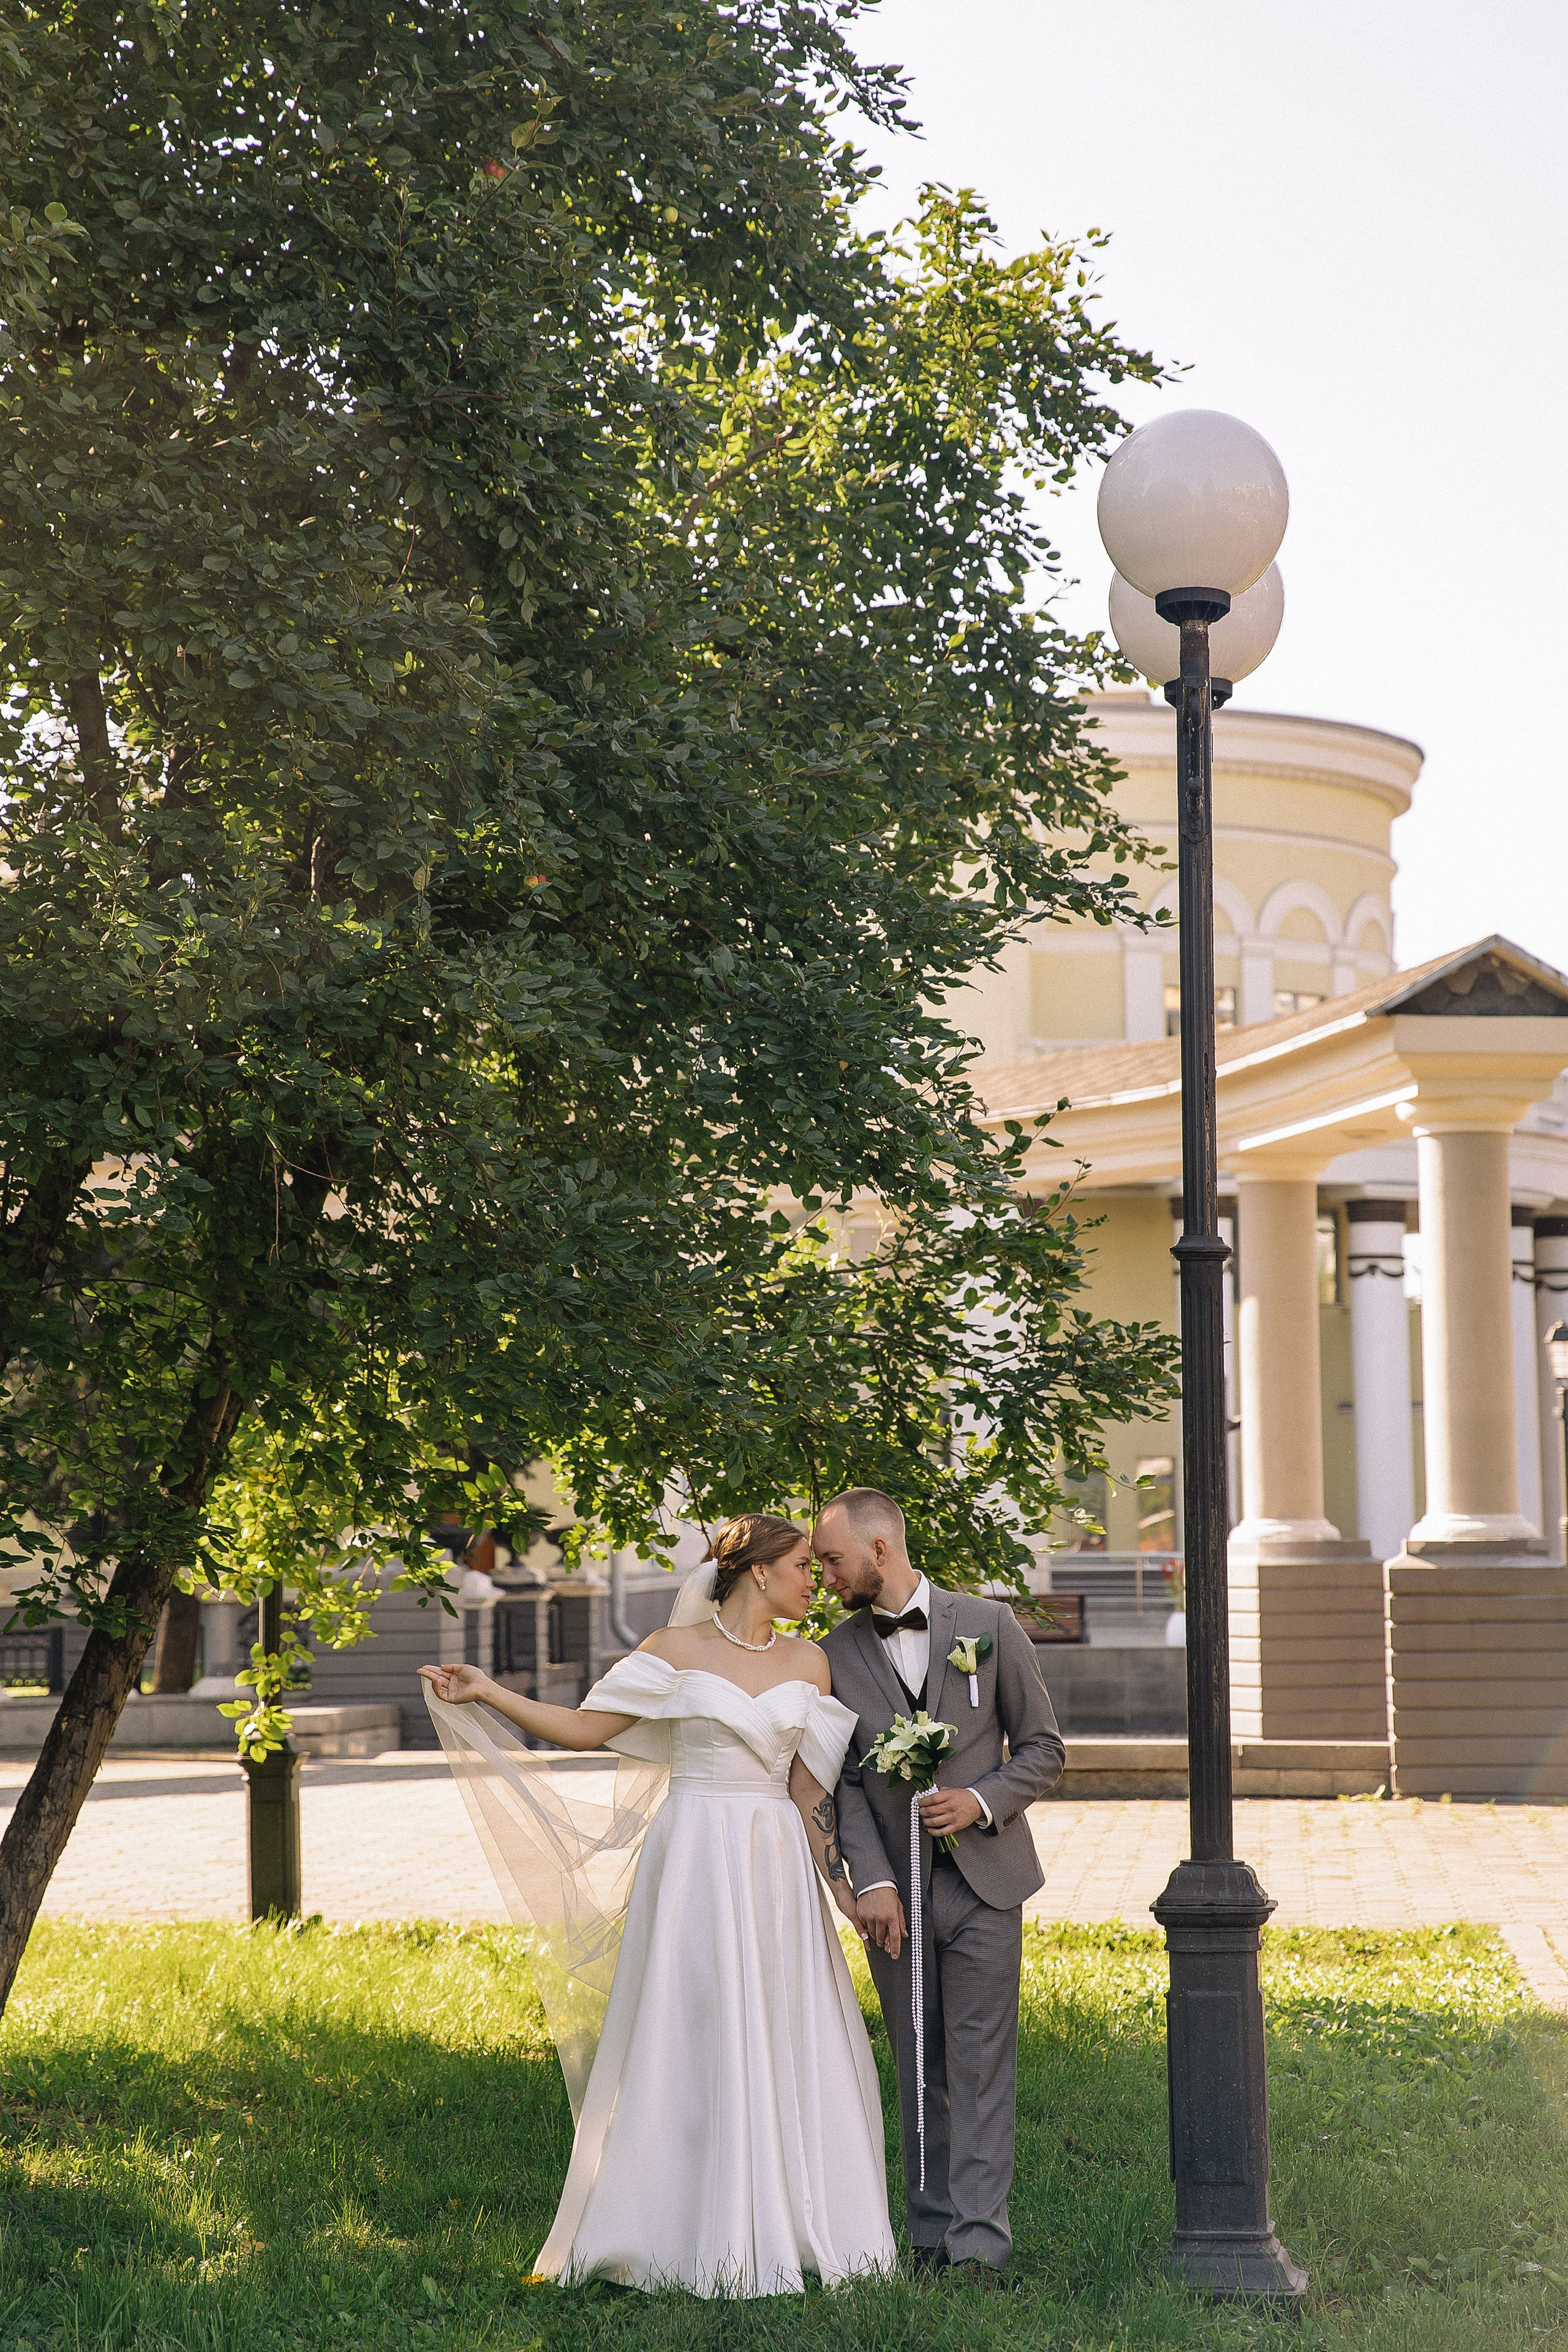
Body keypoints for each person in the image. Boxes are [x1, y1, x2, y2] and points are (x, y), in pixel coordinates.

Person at [418, 1513, 895, 2296]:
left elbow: (810, 1790)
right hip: (695, 1856)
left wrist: (845, 1891)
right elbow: (581, 1729)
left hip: (773, 1860)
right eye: (805, 1565)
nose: (817, 1580)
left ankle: (793, 2217)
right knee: (689, 2021)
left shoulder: (811, 1664)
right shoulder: (670, 1653)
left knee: (781, 2021)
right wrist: (488, 1690)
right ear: (760, 1570)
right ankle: (670, 2221)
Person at [815, 1487, 1065, 2280]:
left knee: (980, 2060)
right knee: (917, 2060)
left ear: (879, 1551)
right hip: (896, 1899)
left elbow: (1044, 1747)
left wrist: (981, 1800)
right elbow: (844, 1783)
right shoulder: (834, 1651)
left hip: (986, 1886)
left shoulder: (987, 1627)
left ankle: (979, 2245)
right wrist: (874, 1881)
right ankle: (927, 2237)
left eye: (833, 1559)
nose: (825, 1574)